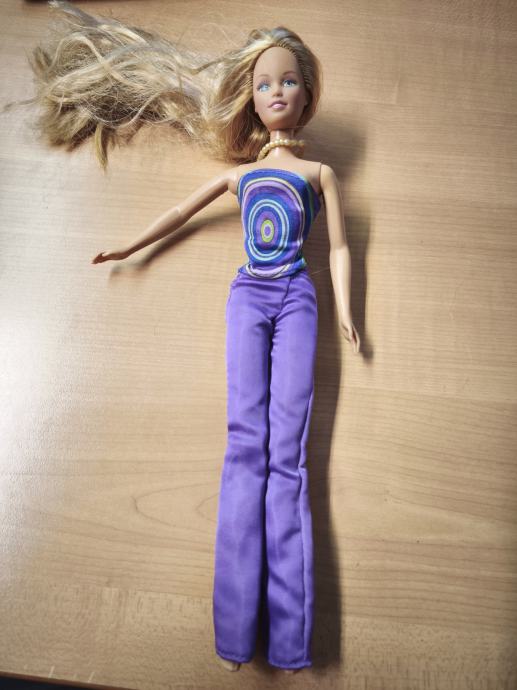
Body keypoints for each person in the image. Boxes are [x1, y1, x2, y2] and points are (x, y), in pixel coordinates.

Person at [18, 0, 360, 673]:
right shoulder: (239, 177)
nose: (276, 92)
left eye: (288, 80)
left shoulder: (319, 176)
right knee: (245, 445)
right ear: (250, 97)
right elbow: (180, 211)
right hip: (249, 296)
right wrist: (130, 246)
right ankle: (234, 632)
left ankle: (289, 639)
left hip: (297, 298)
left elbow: (342, 248)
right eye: (264, 83)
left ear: (307, 93)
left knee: (287, 456)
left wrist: (348, 307)